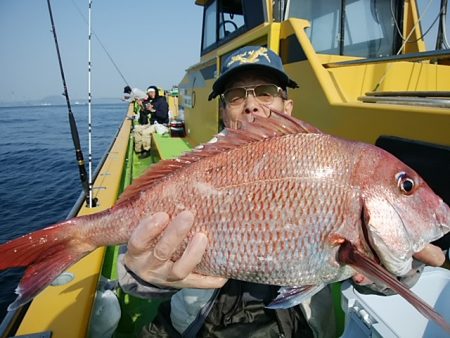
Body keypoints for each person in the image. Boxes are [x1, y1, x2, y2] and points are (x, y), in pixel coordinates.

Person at [118, 46, 446, 337]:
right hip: (196, 327)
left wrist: (397, 268)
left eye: (265, 92)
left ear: (287, 106)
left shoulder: (327, 167)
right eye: (236, 96)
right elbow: (131, 273)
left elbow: (375, 278)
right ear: (224, 112)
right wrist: (143, 275)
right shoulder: (189, 173)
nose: (251, 105)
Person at [133, 86, 170, 155]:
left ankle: (147, 150)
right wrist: (141, 106)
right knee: (137, 130)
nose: (151, 94)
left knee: (145, 132)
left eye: (152, 92)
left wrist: (153, 110)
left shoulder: (162, 101)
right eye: (149, 93)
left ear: (156, 92)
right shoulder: (152, 102)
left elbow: (163, 115)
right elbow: (145, 115)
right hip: (153, 124)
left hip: (161, 124)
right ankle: (138, 149)